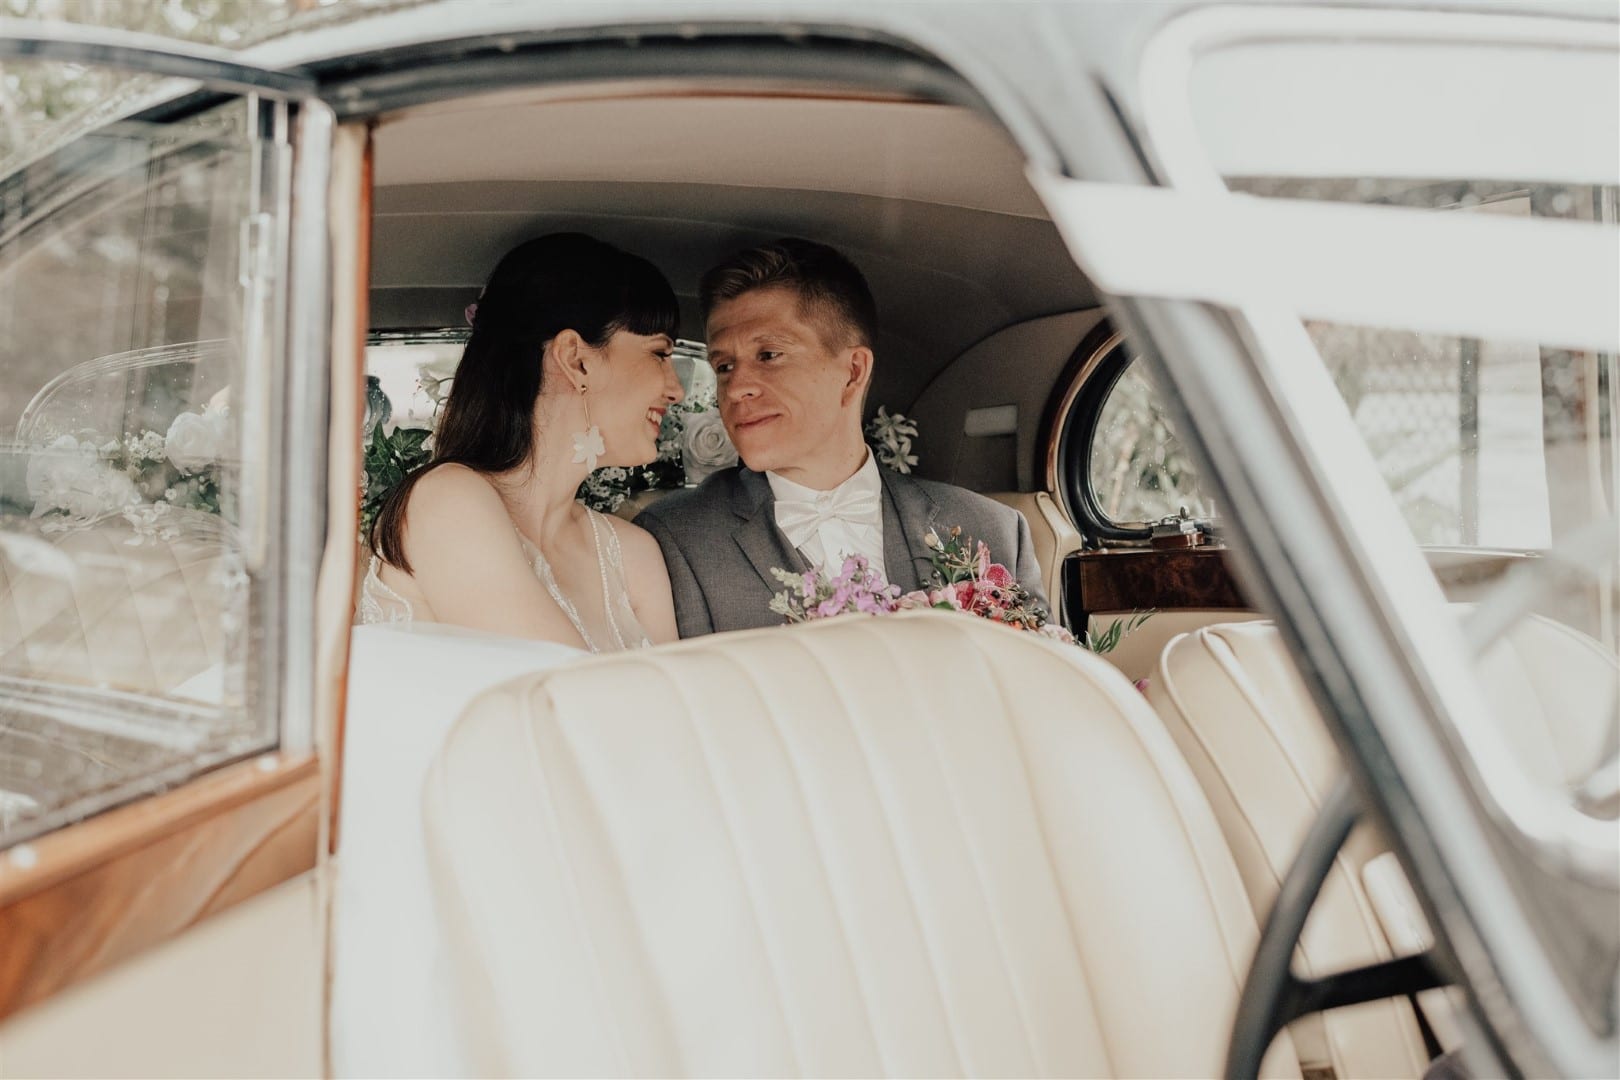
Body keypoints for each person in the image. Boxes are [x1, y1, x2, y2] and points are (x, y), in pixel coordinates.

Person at [636, 237, 1045, 637]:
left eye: (769, 356)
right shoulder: (672, 541)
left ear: (852, 372)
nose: (737, 387)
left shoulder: (992, 531)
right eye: (724, 366)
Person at [357, 233, 684, 651]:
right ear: (575, 359)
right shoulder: (446, 501)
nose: (676, 390)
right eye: (659, 354)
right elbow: (562, 701)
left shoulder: (634, 554)